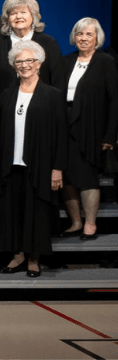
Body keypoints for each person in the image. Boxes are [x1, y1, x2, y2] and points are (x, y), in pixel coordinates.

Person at [0, 40, 66, 277]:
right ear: (14, 66)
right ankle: (17, 255)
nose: (24, 65)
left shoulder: (53, 95)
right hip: (10, 165)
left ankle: (34, 257)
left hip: (40, 166)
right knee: (11, 211)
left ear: (39, 64)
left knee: (36, 212)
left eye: (29, 60)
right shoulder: (6, 95)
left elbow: (61, 135)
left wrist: (57, 168)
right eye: (19, 61)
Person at [58, 17, 117, 239]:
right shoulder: (66, 61)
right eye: (80, 34)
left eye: (89, 34)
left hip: (91, 126)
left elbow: (114, 100)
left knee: (87, 175)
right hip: (65, 123)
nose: (83, 38)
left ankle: (90, 225)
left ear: (97, 38)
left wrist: (110, 135)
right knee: (67, 175)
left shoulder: (105, 61)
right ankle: (75, 222)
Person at [0, 0, 63, 93]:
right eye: (13, 13)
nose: (18, 16)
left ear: (33, 16)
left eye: (23, 12)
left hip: (41, 100)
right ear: (7, 18)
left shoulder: (48, 43)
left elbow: (58, 80)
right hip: (4, 101)